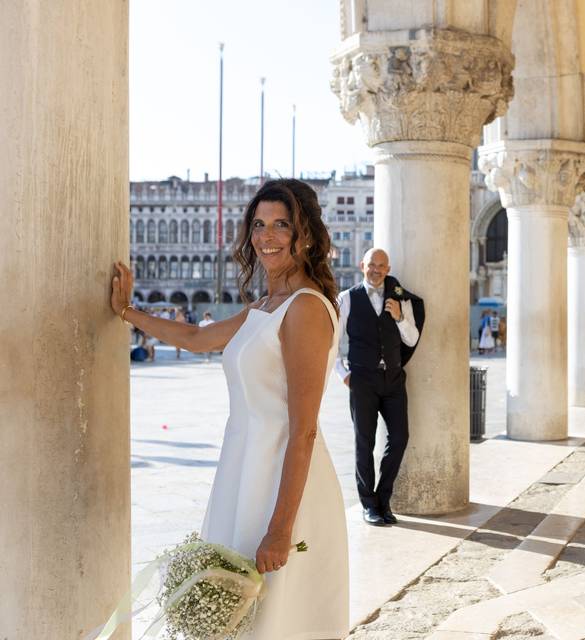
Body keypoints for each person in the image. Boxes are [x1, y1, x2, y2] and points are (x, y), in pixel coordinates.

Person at [110, 178, 348, 638]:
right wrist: (126, 312)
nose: (267, 236)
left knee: (278, 619)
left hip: (282, 480)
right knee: (240, 616)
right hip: (243, 471)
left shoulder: (304, 309)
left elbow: (304, 430)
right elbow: (198, 338)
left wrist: (281, 528)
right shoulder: (265, 305)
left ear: (309, 236)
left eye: (283, 225)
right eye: (259, 224)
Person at [335, 248, 424, 527]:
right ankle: (368, 505)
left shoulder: (400, 298)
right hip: (362, 379)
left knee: (399, 438)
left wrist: (399, 317)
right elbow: (332, 342)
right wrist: (343, 375)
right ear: (362, 265)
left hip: (394, 379)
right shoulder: (347, 299)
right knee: (365, 442)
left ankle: (384, 500)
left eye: (382, 266)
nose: (376, 270)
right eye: (372, 265)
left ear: (388, 268)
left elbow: (411, 339)